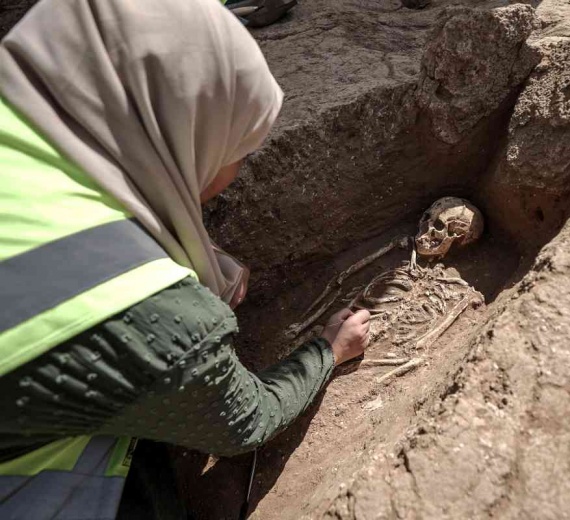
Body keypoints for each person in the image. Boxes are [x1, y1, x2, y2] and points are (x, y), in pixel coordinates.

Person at [0, 0, 370, 518]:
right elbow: (246, 422)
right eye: (238, 148)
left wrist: (170, 245)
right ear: (187, 129)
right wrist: (329, 350)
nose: (236, 169)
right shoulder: (149, 318)